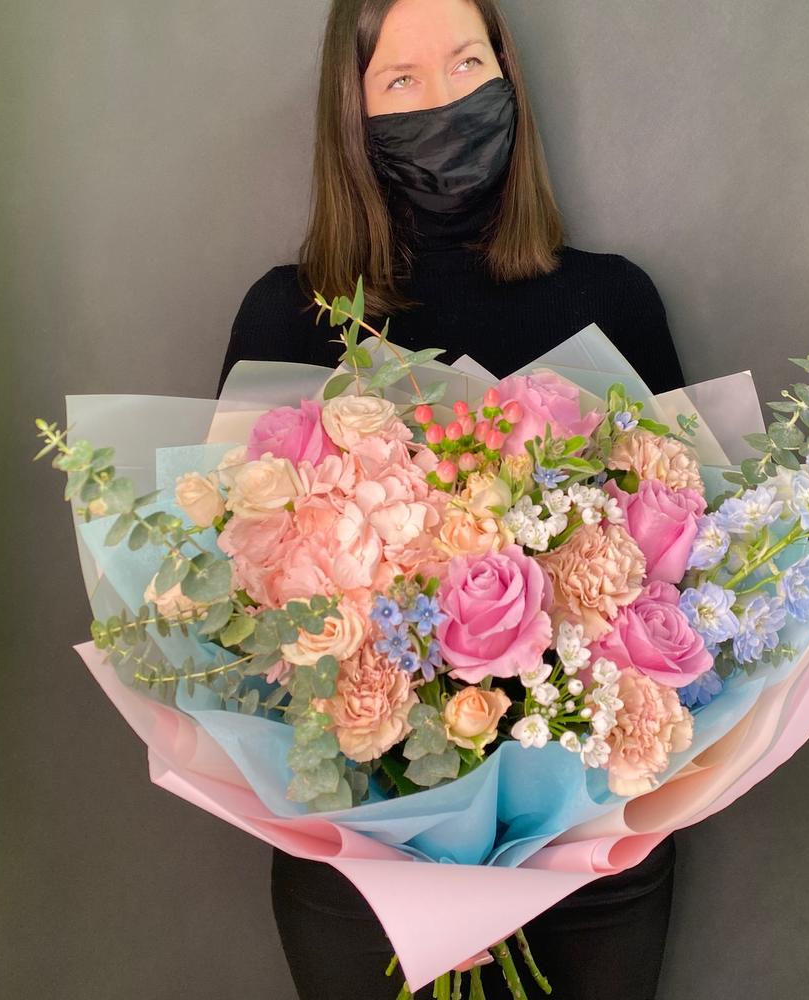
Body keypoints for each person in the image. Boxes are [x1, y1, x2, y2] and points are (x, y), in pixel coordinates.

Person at [218, 1, 685, 996]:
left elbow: (686, 567)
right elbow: (235, 607)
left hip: (594, 856)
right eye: (403, 80)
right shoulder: (287, 319)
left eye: (470, 64)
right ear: (352, 114)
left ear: (509, 78)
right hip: (358, 865)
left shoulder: (614, 301)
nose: (448, 99)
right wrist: (415, 856)